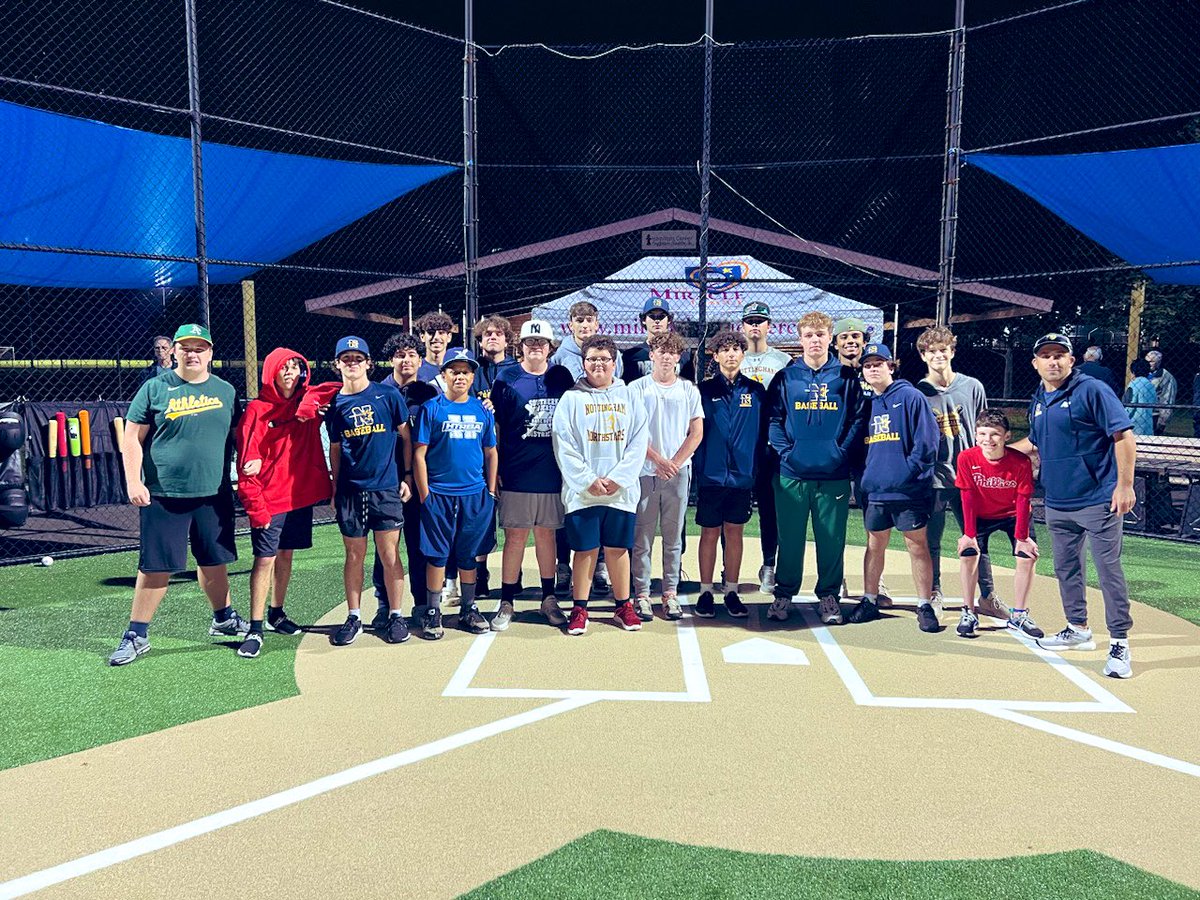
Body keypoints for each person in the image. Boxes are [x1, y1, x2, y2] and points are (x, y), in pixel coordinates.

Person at [108, 324, 246, 666]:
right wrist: (133, 482)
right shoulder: (155, 388)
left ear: (210, 353)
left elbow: (240, 439)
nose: (193, 353)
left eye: (200, 347)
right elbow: (131, 439)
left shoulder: (227, 391)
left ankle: (223, 618)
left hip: (213, 493)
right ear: (175, 352)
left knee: (214, 560)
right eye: (186, 347)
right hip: (164, 493)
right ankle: (136, 634)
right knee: (156, 567)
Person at [1011, 333, 1137, 678]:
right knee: (1067, 568)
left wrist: (1124, 486)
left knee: (1108, 570)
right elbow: (1034, 442)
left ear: (1071, 360)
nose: (1053, 361)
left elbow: (1123, 435)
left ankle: (1120, 644)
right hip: (1058, 500)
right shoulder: (1039, 398)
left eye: (1059, 355)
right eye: (1045, 356)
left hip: (1098, 497)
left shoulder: (1091, 390)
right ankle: (1078, 629)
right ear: (1035, 363)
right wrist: (997, 453)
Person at [766, 311, 866, 624]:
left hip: (833, 475)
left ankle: (828, 596)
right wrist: (786, 452)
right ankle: (784, 594)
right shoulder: (786, 376)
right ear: (800, 339)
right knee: (790, 539)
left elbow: (858, 419)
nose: (815, 341)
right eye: (809, 335)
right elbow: (773, 419)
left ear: (830, 339)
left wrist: (841, 452)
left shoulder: (846, 376)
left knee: (831, 539)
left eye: (821, 335)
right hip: (792, 474)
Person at [234, 348, 334, 658]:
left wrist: (308, 404)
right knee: (264, 560)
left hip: (298, 498)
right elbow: (246, 466)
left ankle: (277, 613)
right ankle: (255, 627)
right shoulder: (257, 411)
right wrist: (256, 508)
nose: (291, 372)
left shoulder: (307, 402)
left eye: (295, 367)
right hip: (269, 500)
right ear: (272, 373)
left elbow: (338, 387)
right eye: (284, 368)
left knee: (286, 555)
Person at [551, 334, 649, 636]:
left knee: (618, 549)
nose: (598, 364)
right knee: (585, 550)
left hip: (621, 491)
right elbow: (563, 444)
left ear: (614, 362)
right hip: (583, 492)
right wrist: (587, 479)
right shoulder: (571, 398)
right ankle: (580, 608)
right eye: (592, 359)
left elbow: (639, 440)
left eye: (604, 359)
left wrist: (619, 478)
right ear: (583, 363)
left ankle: (623, 605)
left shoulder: (630, 396)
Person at [323, 336, 412, 647]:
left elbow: (405, 437)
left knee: (389, 555)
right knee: (354, 555)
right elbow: (335, 448)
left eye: (358, 358)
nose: (352, 363)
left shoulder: (388, 395)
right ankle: (355, 616)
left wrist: (408, 476)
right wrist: (335, 487)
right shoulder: (335, 404)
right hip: (351, 490)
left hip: (385, 487)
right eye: (346, 359)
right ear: (337, 364)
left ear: (368, 363)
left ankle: (397, 614)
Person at [847, 343, 940, 632]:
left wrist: (910, 474)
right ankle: (870, 599)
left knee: (916, 545)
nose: (873, 368)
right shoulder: (866, 403)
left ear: (891, 366)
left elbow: (927, 442)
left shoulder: (910, 396)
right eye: (867, 365)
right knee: (875, 545)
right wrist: (865, 478)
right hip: (875, 490)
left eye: (878, 363)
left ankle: (924, 604)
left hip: (906, 490)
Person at [490, 319, 574, 628]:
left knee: (546, 535)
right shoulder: (507, 377)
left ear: (551, 347)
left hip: (552, 471)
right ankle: (507, 601)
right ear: (520, 346)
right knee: (515, 537)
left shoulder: (562, 376)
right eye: (529, 342)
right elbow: (496, 428)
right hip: (517, 470)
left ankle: (548, 598)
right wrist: (495, 470)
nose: (535, 347)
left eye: (541, 342)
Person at [413, 347, 498, 639]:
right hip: (439, 493)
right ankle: (433, 610)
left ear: (473, 376)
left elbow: (491, 452)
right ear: (444, 375)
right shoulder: (432, 408)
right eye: (454, 371)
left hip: (474, 494)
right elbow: (419, 454)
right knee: (437, 555)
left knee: (469, 554)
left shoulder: (480, 410)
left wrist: (490, 489)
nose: (460, 376)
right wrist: (425, 494)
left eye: (465, 371)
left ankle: (469, 608)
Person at [914, 325, 997, 618]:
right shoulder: (919, 393)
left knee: (976, 538)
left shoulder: (972, 386)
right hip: (935, 477)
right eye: (932, 351)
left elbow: (984, 430)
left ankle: (987, 595)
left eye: (943, 350)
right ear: (923, 355)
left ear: (952, 351)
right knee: (931, 539)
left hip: (968, 477)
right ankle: (935, 591)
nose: (938, 355)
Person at [550, 300, 624, 595]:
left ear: (596, 323)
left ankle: (603, 566)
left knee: (606, 507)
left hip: (605, 438)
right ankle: (563, 565)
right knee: (570, 507)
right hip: (572, 437)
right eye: (578, 320)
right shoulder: (559, 357)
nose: (584, 325)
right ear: (571, 324)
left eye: (589, 320)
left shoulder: (609, 353)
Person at [629, 331, 703, 621]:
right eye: (661, 351)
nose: (666, 356)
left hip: (678, 472)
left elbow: (696, 431)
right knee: (642, 537)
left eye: (672, 352)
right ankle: (642, 593)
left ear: (678, 357)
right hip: (645, 472)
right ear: (651, 355)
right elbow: (632, 432)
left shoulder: (688, 390)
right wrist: (658, 460)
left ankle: (670, 592)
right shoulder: (636, 389)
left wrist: (674, 462)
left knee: (673, 537)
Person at [368, 332, 439, 630]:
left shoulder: (430, 394)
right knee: (384, 546)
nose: (405, 359)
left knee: (418, 543)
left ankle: (422, 604)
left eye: (411, 354)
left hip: (419, 480)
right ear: (391, 359)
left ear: (420, 360)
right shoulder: (376, 392)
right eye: (399, 354)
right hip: (385, 480)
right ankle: (384, 603)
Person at [693, 331, 766, 619]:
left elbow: (761, 435)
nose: (731, 354)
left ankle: (732, 590)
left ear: (743, 354)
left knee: (735, 531)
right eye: (725, 350)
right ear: (716, 355)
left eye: (737, 349)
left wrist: (754, 467)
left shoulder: (756, 391)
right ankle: (705, 591)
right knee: (709, 532)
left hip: (742, 476)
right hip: (711, 475)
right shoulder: (703, 391)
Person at [954, 410, 1042, 640]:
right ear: (975, 435)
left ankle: (1019, 614)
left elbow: (1024, 499)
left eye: (995, 434)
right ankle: (969, 612)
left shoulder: (1020, 461)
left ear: (1007, 436)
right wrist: (969, 534)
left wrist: (1022, 538)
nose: (988, 439)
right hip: (981, 515)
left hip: (1013, 514)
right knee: (969, 553)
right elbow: (967, 496)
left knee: (1027, 556)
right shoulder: (966, 458)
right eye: (982, 433)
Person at [738, 300, 791, 595]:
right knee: (733, 510)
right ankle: (727, 569)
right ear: (743, 326)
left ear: (769, 325)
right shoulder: (734, 357)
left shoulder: (783, 360)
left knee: (771, 509)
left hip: (771, 446)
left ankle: (769, 564)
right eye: (750, 321)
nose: (755, 325)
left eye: (760, 320)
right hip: (743, 445)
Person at [621, 297, 697, 383]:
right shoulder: (632, 355)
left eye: (661, 316)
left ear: (669, 320)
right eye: (652, 316)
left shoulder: (683, 356)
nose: (657, 320)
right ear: (643, 320)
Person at [415, 311, 455, 381]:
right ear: (422, 336)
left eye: (441, 333)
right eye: (431, 333)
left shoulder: (457, 368)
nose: (436, 337)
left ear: (449, 337)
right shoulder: (415, 369)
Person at [1144, 349, 1177, 435]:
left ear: (1159, 362)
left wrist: (1163, 420)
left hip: (1155, 415)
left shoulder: (1166, 377)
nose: (1148, 364)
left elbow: (1168, 398)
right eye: (1146, 361)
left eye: (1151, 361)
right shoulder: (1144, 373)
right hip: (1143, 412)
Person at [1123, 359, 1157, 436]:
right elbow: (1155, 402)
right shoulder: (1151, 385)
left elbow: (1129, 406)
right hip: (1148, 423)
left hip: (1134, 425)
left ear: (1133, 371)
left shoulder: (1133, 385)